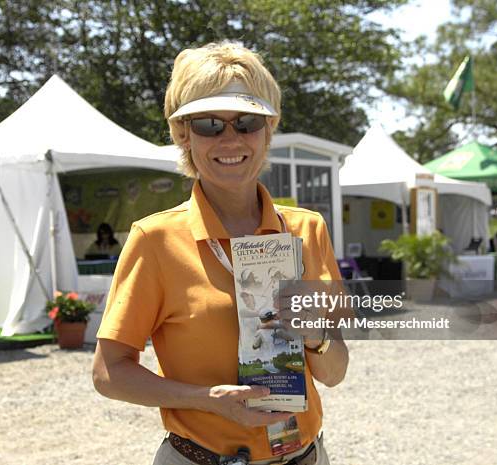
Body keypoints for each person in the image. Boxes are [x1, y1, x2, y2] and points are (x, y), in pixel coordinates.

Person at [92, 41, 348, 465]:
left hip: (305, 455)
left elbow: (334, 372)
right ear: (183, 135)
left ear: (269, 129)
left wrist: (316, 334)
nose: (230, 138)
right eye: (209, 123)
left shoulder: (308, 229)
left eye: (246, 121)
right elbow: (108, 373)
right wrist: (206, 400)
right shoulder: (155, 240)